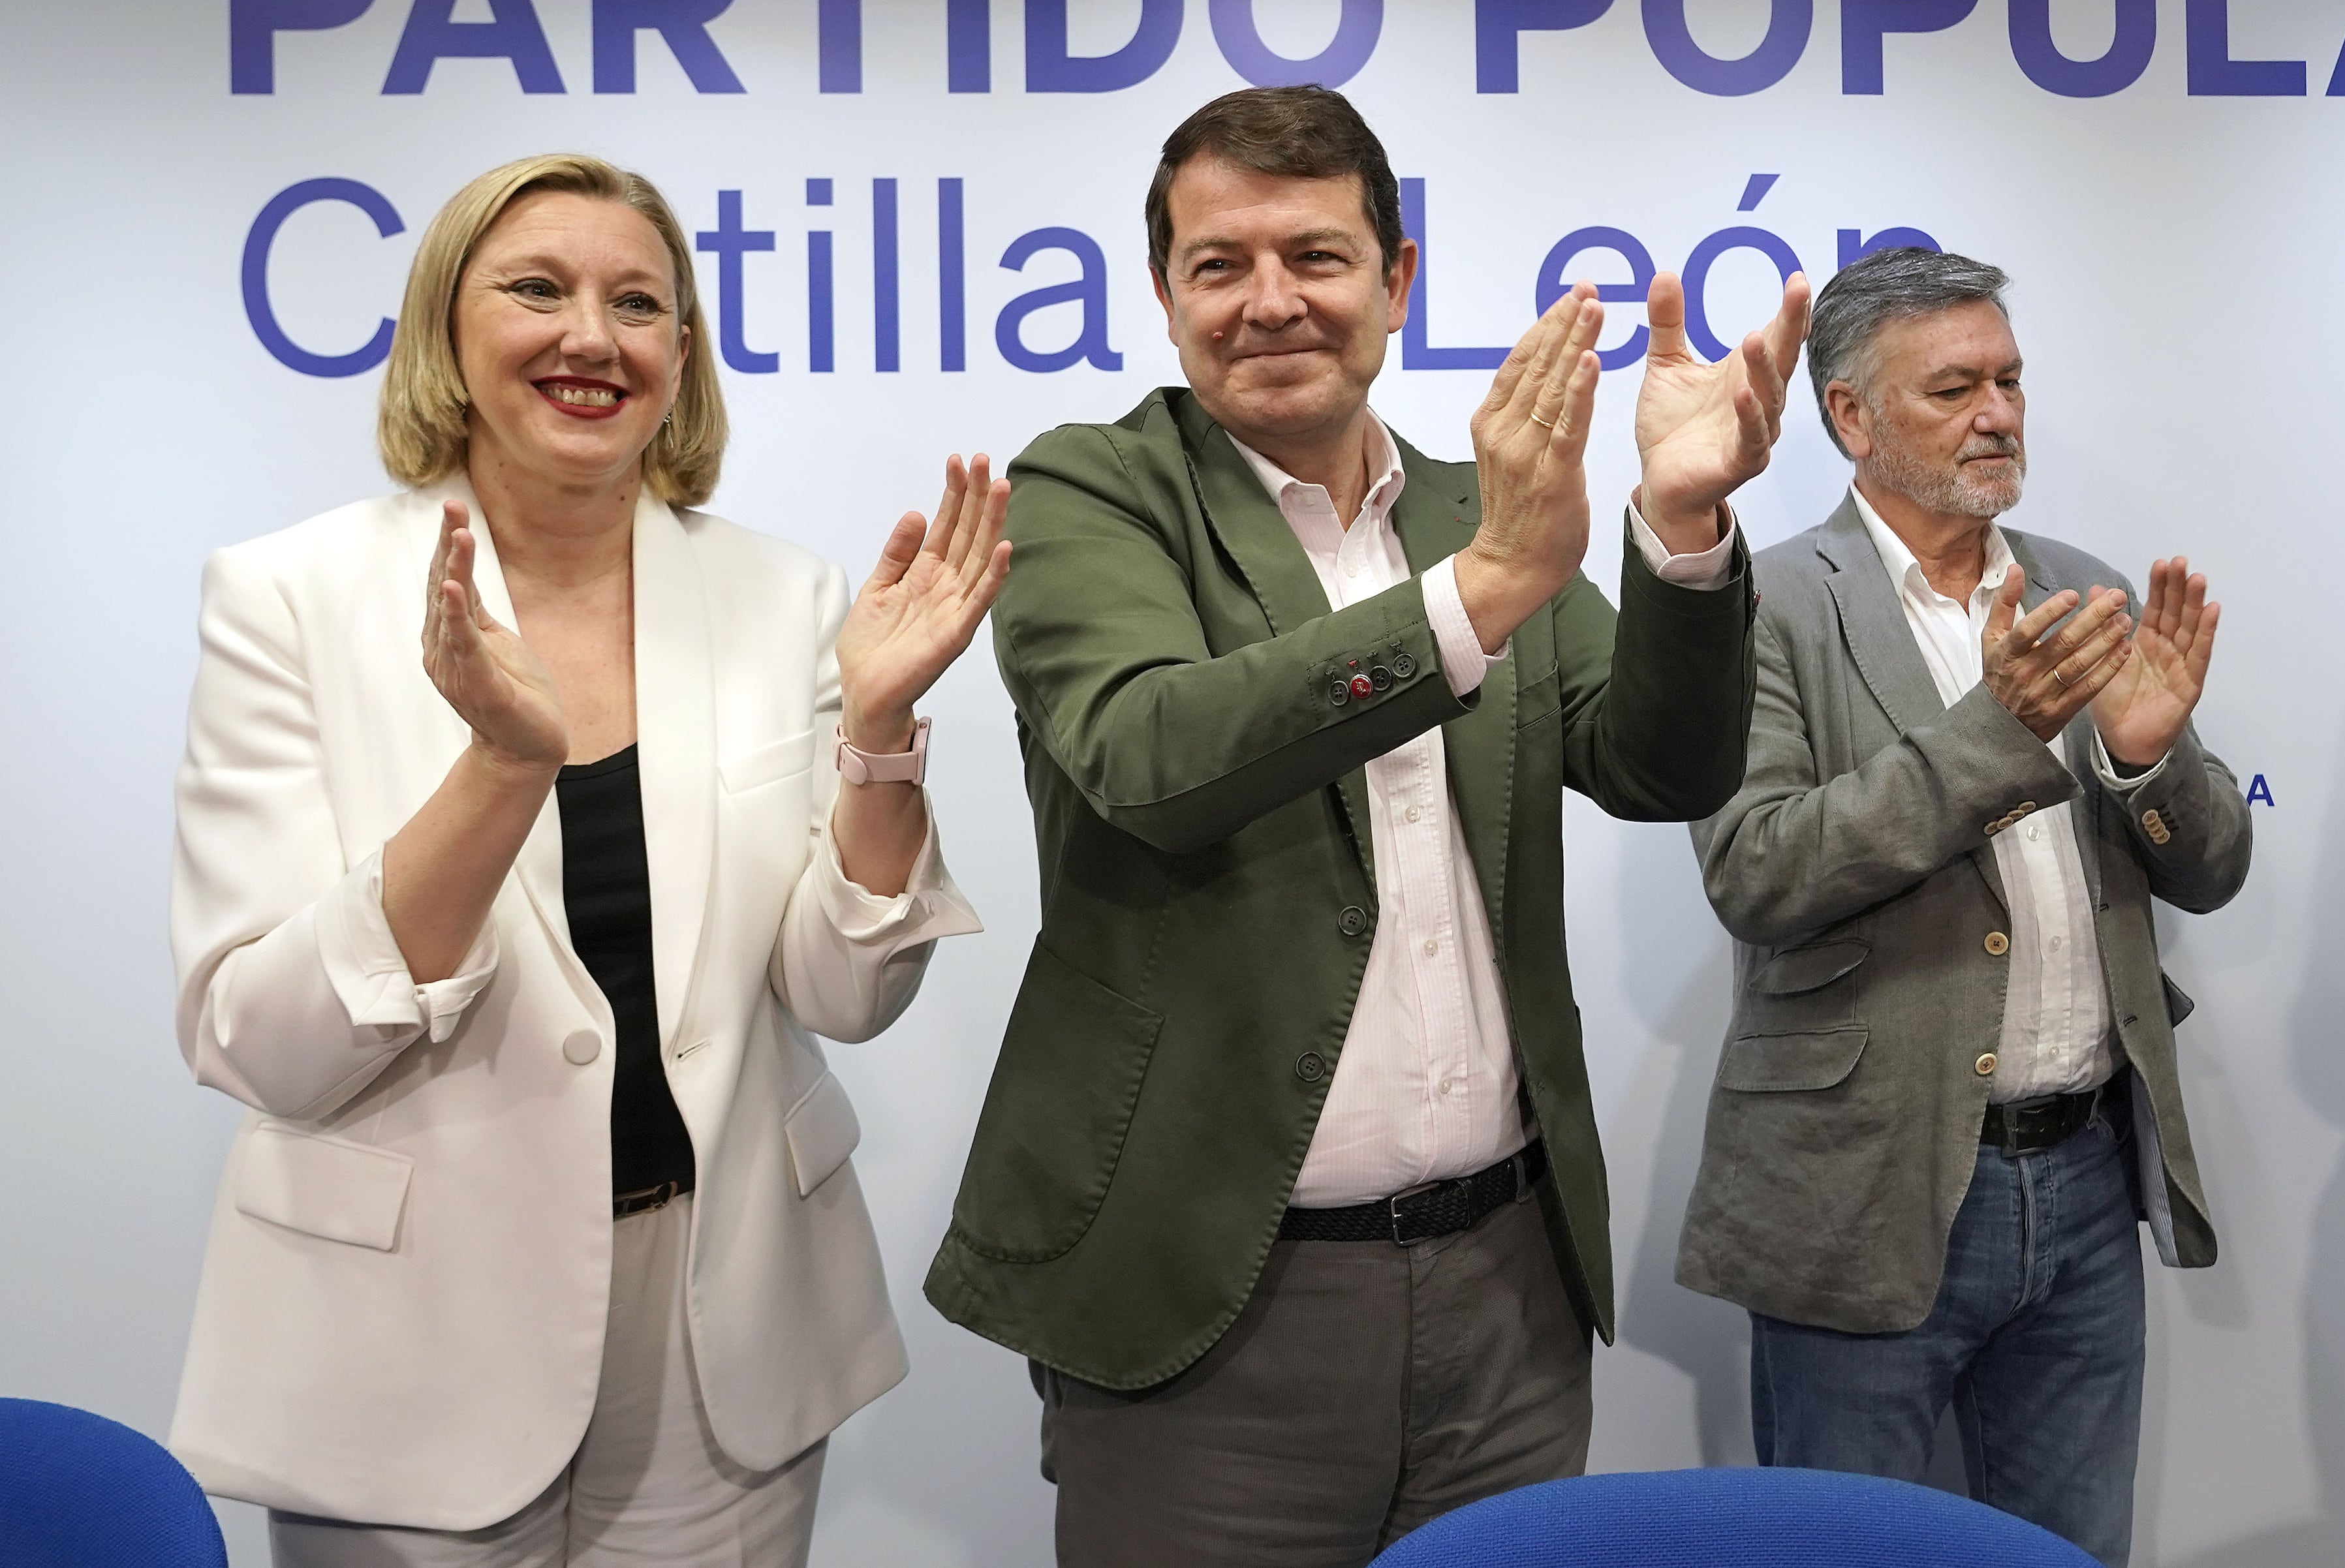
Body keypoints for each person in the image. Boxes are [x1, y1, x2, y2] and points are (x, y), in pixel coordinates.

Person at [924, 85, 1809, 1565]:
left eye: (1317, 258)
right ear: (1163, 294)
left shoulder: (1481, 506)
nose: (1269, 301)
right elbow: (1152, 754)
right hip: (1210, 1302)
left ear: (1396, 281)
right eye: (1219, 265)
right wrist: (1482, 591)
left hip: (1508, 1287)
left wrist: (1680, 529)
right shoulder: (1089, 490)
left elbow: (1659, 765)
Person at [167, 153, 1007, 1566]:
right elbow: (266, 1039)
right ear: (447, 327)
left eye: (638, 303)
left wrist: (876, 729)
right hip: (407, 1352)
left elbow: (845, 992)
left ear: (680, 353)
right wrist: (503, 767)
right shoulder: (288, 597)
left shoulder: (776, 591)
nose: (590, 337)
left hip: (721, 1328)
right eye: (537, 289)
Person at [1681, 247, 2252, 1567]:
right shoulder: (1758, 602)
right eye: (1953, 388)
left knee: (2072, 1548)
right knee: (1842, 1552)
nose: (1998, 412)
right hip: (1862, 1186)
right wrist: (1997, 731)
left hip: (2084, 1176)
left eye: (2008, 379)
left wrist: (2153, 756)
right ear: (1849, 416)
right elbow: (1757, 869)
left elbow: (2209, 868)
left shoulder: (2076, 582)